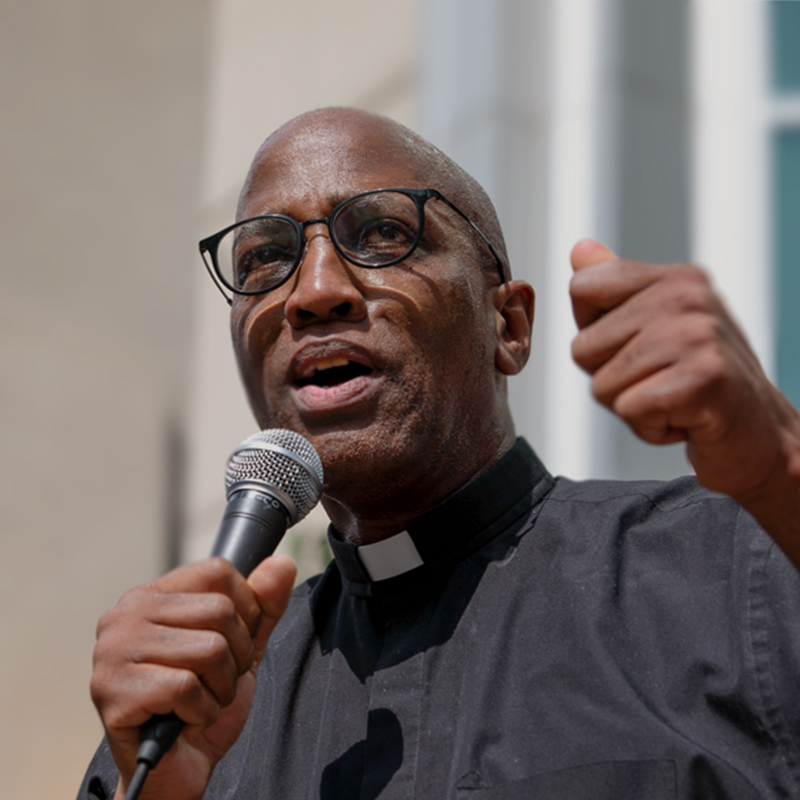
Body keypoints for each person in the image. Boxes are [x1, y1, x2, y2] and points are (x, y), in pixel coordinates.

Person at [79, 108, 800, 800]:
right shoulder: (187, 712)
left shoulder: (734, 565)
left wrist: (781, 468)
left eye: (383, 232)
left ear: (509, 325)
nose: (316, 291)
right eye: (266, 257)